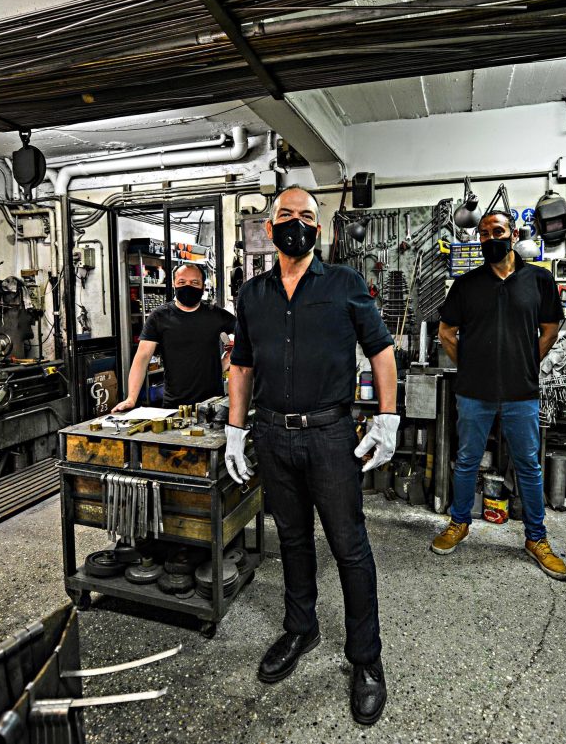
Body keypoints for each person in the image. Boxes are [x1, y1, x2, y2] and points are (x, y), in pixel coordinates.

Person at [224, 186, 399, 726]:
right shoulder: (252, 294)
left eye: (305, 216)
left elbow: (381, 350)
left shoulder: (344, 283)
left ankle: (365, 659)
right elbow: (242, 365)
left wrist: (388, 416)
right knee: (293, 540)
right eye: (285, 214)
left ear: (318, 230)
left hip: (329, 436)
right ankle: (301, 628)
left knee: (349, 546)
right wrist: (235, 429)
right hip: (273, 435)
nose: (295, 223)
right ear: (269, 226)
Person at [432, 207, 566, 581]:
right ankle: (459, 523)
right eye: (485, 233)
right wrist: (470, 366)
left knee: (528, 464)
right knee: (467, 460)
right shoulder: (466, 284)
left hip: (520, 392)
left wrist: (525, 363)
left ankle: (536, 538)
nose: (491, 238)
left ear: (513, 234)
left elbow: (550, 329)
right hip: (473, 392)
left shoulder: (539, 280)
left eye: (498, 231)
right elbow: (446, 332)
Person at [112, 262, 235, 411]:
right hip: (175, 406)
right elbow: (142, 357)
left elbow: (248, 334)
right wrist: (131, 398)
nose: (188, 287)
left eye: (194, 282)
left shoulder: (216, 315)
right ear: (174, 285)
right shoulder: (159, 317)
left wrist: (230, 358)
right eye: (182, 282)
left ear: (203, 286)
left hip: (213, 404)